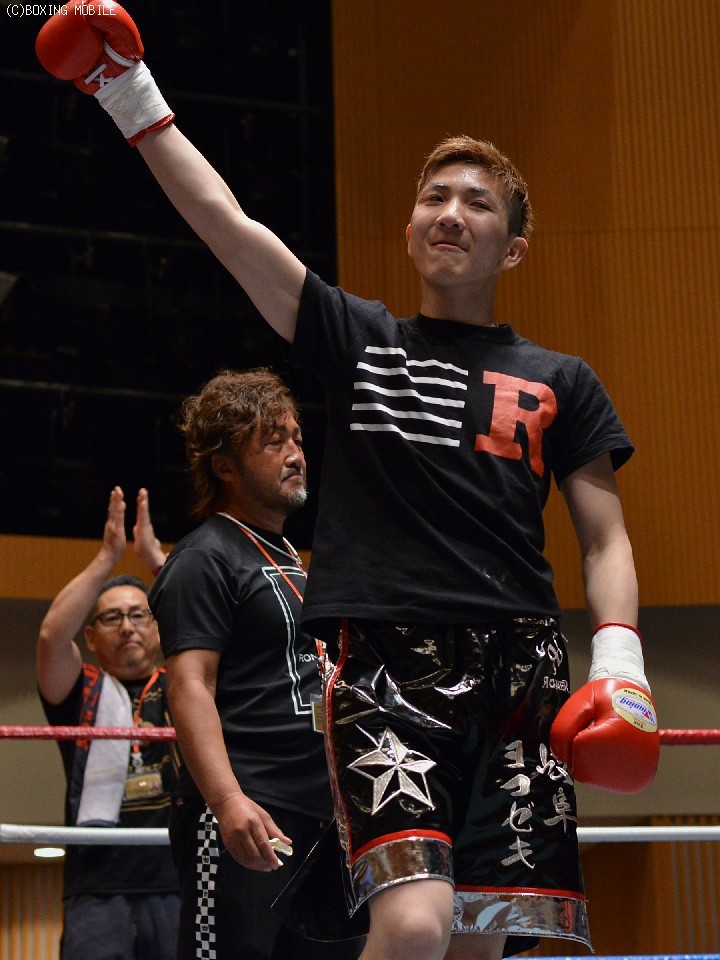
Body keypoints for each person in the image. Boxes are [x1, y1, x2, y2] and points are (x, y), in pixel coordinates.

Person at [35, 7, 661, 959]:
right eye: (434, 197)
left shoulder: (562, 380)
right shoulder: (361, 342)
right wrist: (128, 92)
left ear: (513, 247)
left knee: (479, 941)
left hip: (521, 669)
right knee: (412, 922)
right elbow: (227, 227)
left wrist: (622, 663)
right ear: (409, 230)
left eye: (477, 202)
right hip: (388, 664)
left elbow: (606, 537)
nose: (450, 212)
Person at [147, 368, 362, 960]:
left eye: (296, 438)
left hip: (321, 813)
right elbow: (189, 685)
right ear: (224, 465)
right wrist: (226, 801)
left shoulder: (290, 556)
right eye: (273, 441)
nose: (295, 454)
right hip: (249, 806)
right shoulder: (204, 558)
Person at [37, 485, 180, 960]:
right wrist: (106, 557)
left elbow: (228, 634)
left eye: (139, 615)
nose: (127, 627)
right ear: (92, 637)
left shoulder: (188, 684)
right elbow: (51, 637)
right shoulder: (79, 690)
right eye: (112, 618)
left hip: (179, 877)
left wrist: (157, 561)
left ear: (158, 626)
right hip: (97, 886)